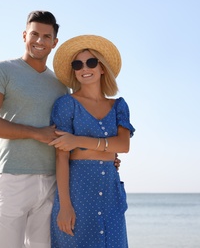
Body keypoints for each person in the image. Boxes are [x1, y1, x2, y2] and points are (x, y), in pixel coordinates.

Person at [0, 11, 121, 247]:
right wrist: (35, 132)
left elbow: (70, 136)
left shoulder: (61, 86)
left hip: (53, 182)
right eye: (34, 34)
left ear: (55, 42)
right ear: (24, 35)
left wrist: (104, 156)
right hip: (13, 177)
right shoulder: (2, 70)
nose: (39, 41)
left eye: (46, 36)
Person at [48, 35, 135, 248]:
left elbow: (123, 146)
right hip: (78, 192)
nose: (84, 68)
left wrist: (78, 140)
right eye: (78, 64)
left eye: (91, 62)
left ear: (102, 68)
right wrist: (65, 206)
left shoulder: (119, 106)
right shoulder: (66, 104)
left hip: (111, 192)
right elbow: (61, 156)